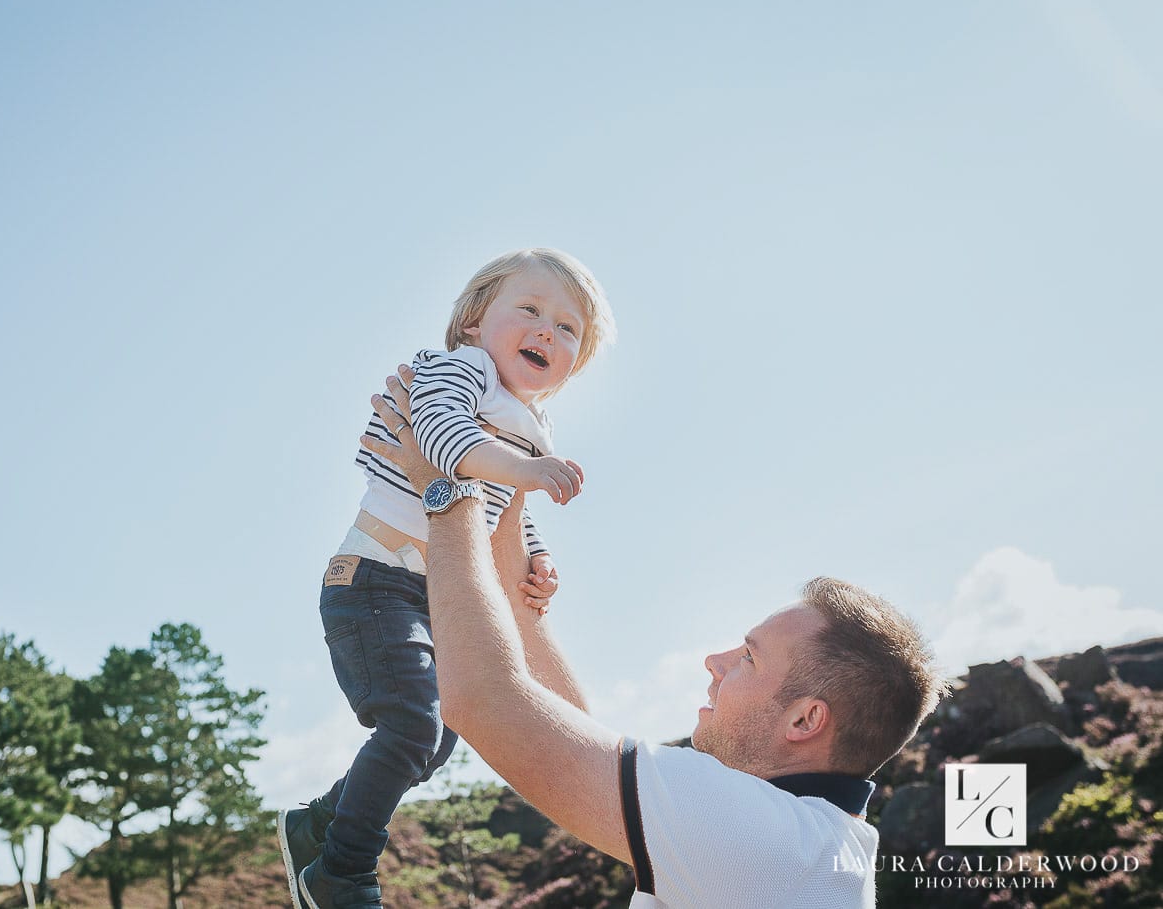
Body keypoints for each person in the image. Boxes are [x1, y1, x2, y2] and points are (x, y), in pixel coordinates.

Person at [357, 375, 950, 908]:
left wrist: (448, 489)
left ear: (805, 720)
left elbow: (485, 701)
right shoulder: (807, 843)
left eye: (748, 657)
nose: (714, 663)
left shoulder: (764, 840)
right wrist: (511, 516)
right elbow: (571, 736)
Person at [278, 248, 617, 909]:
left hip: (432, 599)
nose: (548, 330)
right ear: (471, 322)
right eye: (529, 309)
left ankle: (316, 822)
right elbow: (440, 437)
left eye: (568, 328)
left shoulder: (531, 429)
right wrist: (527, 471)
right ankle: (341, 872)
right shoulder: (456, 371)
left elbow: (501, 512)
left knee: (439, 738)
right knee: (412, 724)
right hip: (373, 582)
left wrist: (537, 562)